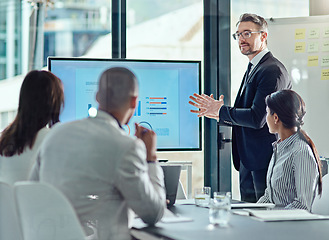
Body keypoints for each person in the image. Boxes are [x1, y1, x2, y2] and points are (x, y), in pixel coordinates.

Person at [29, 67, 166, 240]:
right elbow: (153, 214)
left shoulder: (56, 133)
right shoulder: (126, 146)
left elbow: (31, 190)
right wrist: (151, 158)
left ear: (97, 97)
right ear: (134, 102)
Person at [189, 13, 291, 202]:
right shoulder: (255, 67)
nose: (241, 39)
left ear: (263, 36)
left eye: (247, 33)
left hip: (264, 161)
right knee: (249, 217)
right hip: (249, 160)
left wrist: (221, 111)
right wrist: (220, 113)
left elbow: (257, 118)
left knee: (263, 220)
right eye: (238, 35)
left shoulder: (272, 71)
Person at [257, 89, 322, 210]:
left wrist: (272, 217)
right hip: (274, 222)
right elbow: (269, 196)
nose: (266, 118)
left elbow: (303, 205)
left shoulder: (301, 152)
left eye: (267, 113)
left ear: (275, 118)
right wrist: (251, 213)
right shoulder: (279, 148)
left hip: (289, 225)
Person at [0, 70, 64, 185]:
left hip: (9, 202)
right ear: (54, 103)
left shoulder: (4, 138)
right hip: (37, 201)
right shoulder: (51, 139)